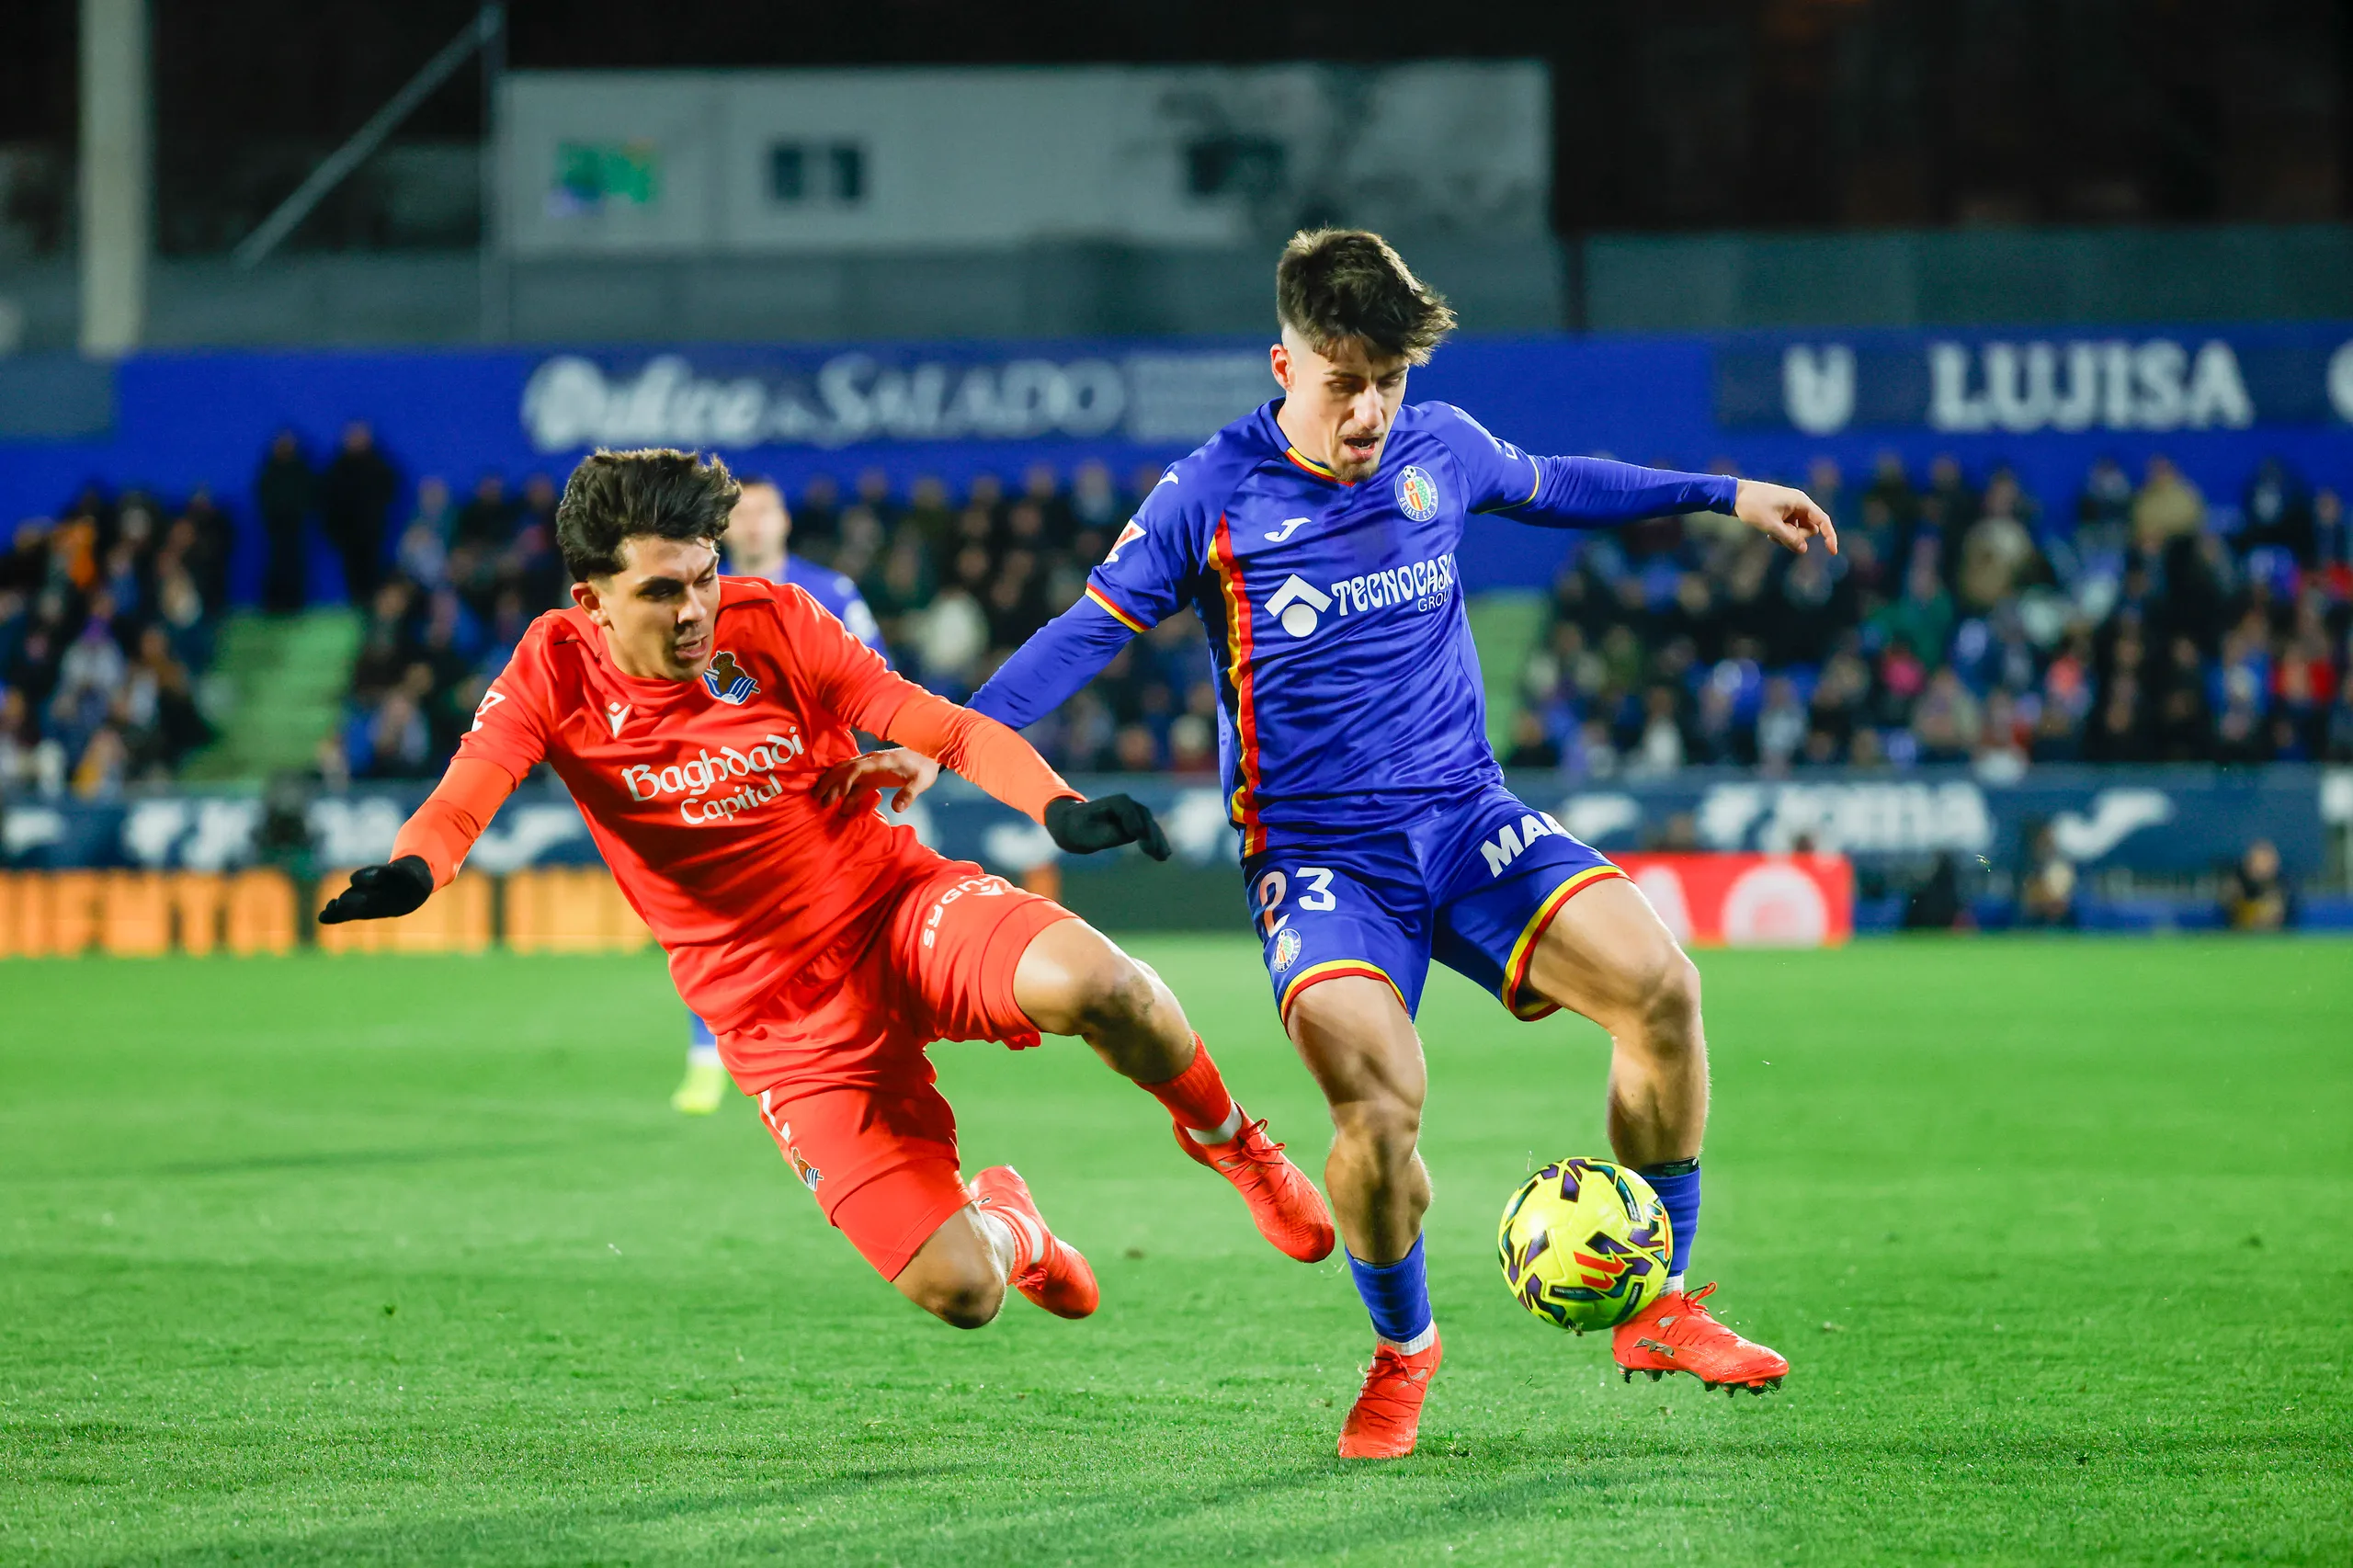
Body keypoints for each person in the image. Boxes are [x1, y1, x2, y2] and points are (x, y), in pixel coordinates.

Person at [926, 231, 1823, 1455]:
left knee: (1664, 989)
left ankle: (1657, 1303)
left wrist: (1724, 494)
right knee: (1378, 1114)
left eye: (1389, 380)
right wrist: (943, 738)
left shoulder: (1436, 446)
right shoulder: (1213, 491)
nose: (1370, 409)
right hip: (1321, 860)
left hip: (1466, 815)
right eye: (1344, 380)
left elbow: (1556, 483)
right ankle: (1405, 1350)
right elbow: (1087, 632)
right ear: (1282, 360)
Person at [317, 449, 1335, 1327]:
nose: (694, 609)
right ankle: (1012, 1227)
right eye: (661, 590)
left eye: (704, 578)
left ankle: (1233, 1142)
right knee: (961, 1291)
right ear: (590, 600)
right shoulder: (551, 670)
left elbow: (934, 722)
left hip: (891, 910)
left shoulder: (776, 621)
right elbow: (465, 794)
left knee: (1099, 982)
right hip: (775, 1017)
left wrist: (1054, 805)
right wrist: (415, 870)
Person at [670, 475, 892, 1115]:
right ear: (722, 528)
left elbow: (874, 677)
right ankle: (705, 1058)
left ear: (785, 520)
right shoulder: (693, 598)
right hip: (723, 784)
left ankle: (839, 1052)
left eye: (765, 511)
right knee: (711, 920)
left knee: (835, 924)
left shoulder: (829, 593)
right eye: (742, 515)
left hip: (815, 785)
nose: (754, 525)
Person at [321, 421, 401, 608]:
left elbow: (390, 489)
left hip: (372, 533)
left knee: (372, 572)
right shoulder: (336, 469)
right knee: (352, 574)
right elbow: (327, 500)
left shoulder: (379, 466)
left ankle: (372, 609)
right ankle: (356, 606)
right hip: (347, 535)